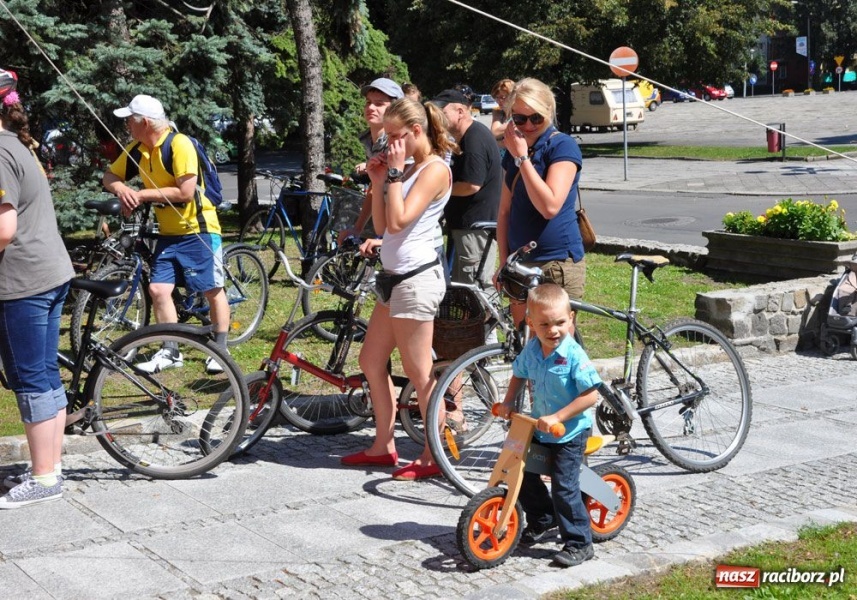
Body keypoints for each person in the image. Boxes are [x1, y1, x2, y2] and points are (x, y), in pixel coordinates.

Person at [341, 98, 456, 481]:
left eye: (394, 136)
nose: (387, 144)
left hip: (416, 278)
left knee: (419, 372)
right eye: (386, 137)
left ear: (416, 132)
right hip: (393, 279)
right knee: (370, 362)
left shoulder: (434, 169)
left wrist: (391, 174)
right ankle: (383, 446)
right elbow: (384, 224)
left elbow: (403, 217)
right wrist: (379, 182)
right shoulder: (405, 170)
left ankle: (433, 452)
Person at [102, 94, 229, 374]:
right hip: (168, 233)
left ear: (144, 122)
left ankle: (220, 349)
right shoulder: (138, 147)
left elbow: (185, 192)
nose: (127, 128)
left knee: (211, 289)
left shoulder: (179, 144)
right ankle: (171, 351)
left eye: (129, 122)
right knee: (158, 289)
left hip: (198, 230)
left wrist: (142, 194)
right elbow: (109, 177)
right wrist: (123, 190)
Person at [0, 69, 76, 508]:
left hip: (22, 281)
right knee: (46, 374)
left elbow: (4, 228)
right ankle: (52, 467)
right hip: (50, 273)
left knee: (30, 379)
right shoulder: (17, 144)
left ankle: (43, 477)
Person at [495, 283, 600, 567]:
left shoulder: (574, 355)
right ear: (530, 323)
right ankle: (542, 517)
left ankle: (580, 542)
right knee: (520, 469)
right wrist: (507, 402)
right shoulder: (531, 350)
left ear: (571, 319)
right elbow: (518, 374)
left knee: (564, 486)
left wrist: (558, 417)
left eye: (560, 322)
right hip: (541, 429)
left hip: (570, 432)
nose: (553, 330)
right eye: (544, 324)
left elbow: (592, 394)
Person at [494, 78, 586, 327]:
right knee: (524, 350)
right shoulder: (513, 150)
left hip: (555, 263)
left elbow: (550, 207)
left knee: (556, 351)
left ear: (548, 112)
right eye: (519, 118)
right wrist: (504, 262)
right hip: (519, 264)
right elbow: (504, 211)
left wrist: (522, 158)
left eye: (536, 117)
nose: (528, 125)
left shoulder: (561, 145)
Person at [431, 89, 501, 288]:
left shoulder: (474, 138)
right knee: (466, 287)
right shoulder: (468, 136)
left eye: (442, 113)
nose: (438, 118)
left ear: (460, 111)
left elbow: (471, 185)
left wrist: (438, 191)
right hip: (468, 228)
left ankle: (489, 320)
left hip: (474, 229)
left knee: (474, 288)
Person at [338, 78, 404, 244]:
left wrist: (386, 240)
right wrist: (357, 227)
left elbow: (409, 192)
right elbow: (375, 187)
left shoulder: (400, 141)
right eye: (368, 102)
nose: (370, 108)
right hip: (389, 230)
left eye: (379, 104)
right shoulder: (370, 141)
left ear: (395, 109)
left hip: (406, 235)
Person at [490, 78, 515, 148]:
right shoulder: (501, 115)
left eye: (502, 97)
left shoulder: (518, 117)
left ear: (512, 97)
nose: (498, 101)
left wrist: (496, 117)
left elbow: (494, 133)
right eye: (497, 97)